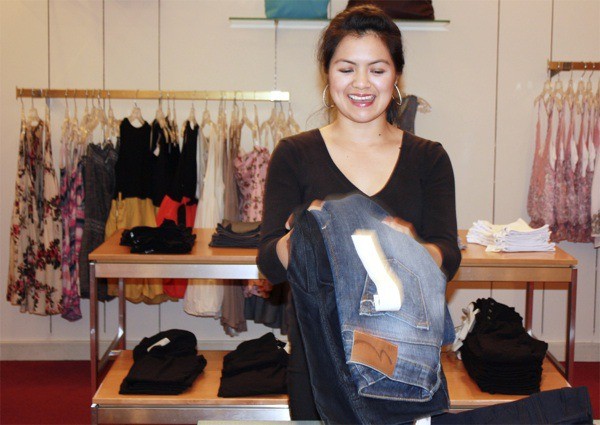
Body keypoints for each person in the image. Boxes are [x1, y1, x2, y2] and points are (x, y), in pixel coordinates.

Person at [257, 4, 461, 420]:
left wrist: (412, 249)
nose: (362, 83)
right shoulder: (294, 154)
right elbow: (269, 263)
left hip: (405, 361)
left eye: (377, 69)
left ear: (396, 75)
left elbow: (448, 255)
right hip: (319, 362)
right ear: (327, 73)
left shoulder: (429, 159)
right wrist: (306, 233)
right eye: (347, 68)